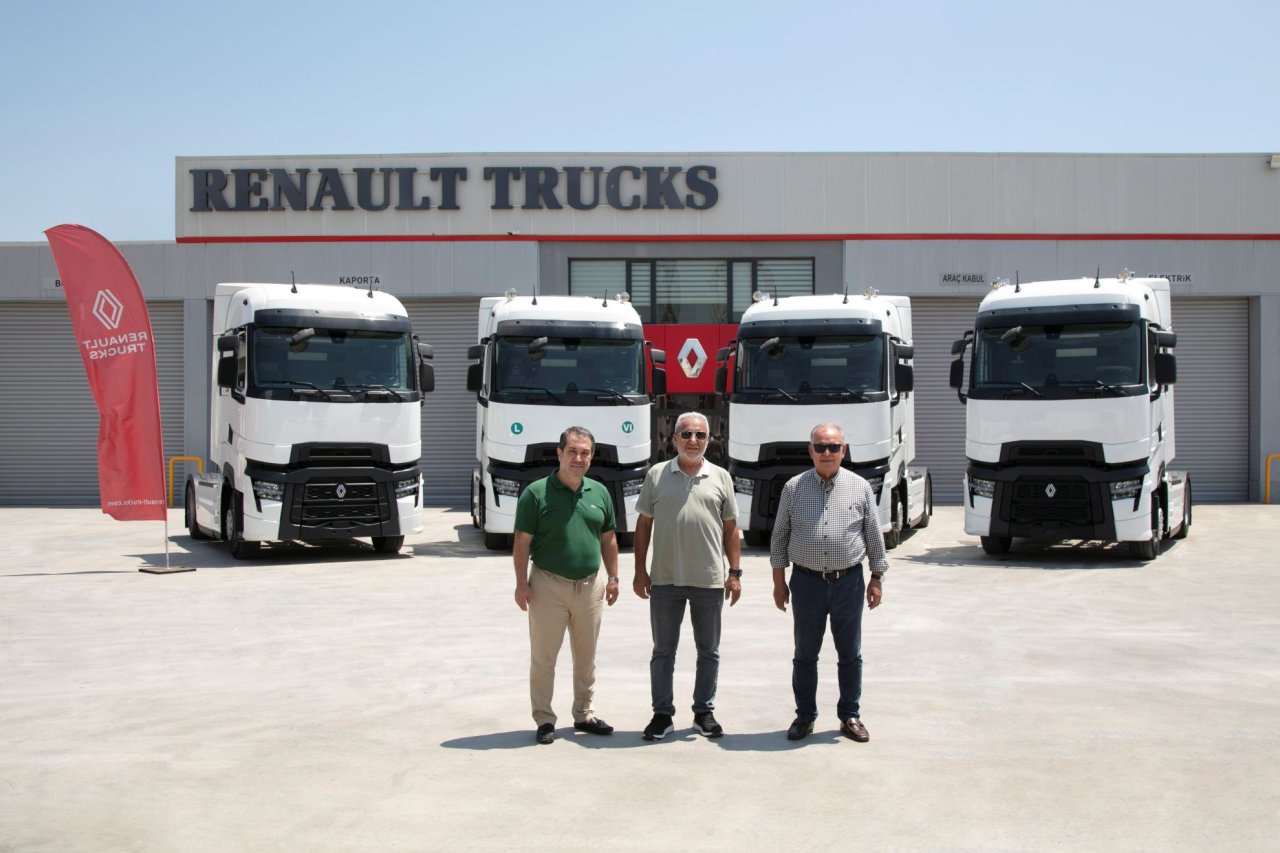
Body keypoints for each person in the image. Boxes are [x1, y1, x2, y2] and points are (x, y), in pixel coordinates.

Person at [770, 422, 888, 743]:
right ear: (810, 451)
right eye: (820, 447)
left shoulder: (860, 487)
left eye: (833, 447)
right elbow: (779, 537)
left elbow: (874, 536)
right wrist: (779, 582)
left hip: (848, 582)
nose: (827, 453)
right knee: (805, 654)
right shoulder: (793, 488)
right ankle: (805, 716)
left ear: (843, 451)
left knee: (850, 653)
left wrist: (876, 578)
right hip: (806, 583)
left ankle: (850, 715)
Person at [633, 412, 741, 740]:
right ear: (674, 438)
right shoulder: (656, 474)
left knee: (709, 651)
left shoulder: (721, 477)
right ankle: (662, 715)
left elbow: (731, 528)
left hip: (709, 580)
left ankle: (703, 712)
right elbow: (643, 525)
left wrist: (734, 572)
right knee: (663, 651)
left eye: (700, 435)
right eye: (686, 434)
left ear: (709, 440)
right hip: (665, 580)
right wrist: (639, 571)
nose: (693, 441)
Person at [513, 425, 620, 744]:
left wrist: (613, 578)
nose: (578, 458)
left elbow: (609, 538)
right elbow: (522, 541)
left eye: (585, 453)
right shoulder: (536, 493)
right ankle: (544, 719)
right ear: (559, 453)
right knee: (544, 658)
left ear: (592, 456)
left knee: (586, 657)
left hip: (590, 587)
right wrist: (521, 584)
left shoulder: (599, 492)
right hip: (548, 585)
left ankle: (584, 713)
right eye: (572, 451)